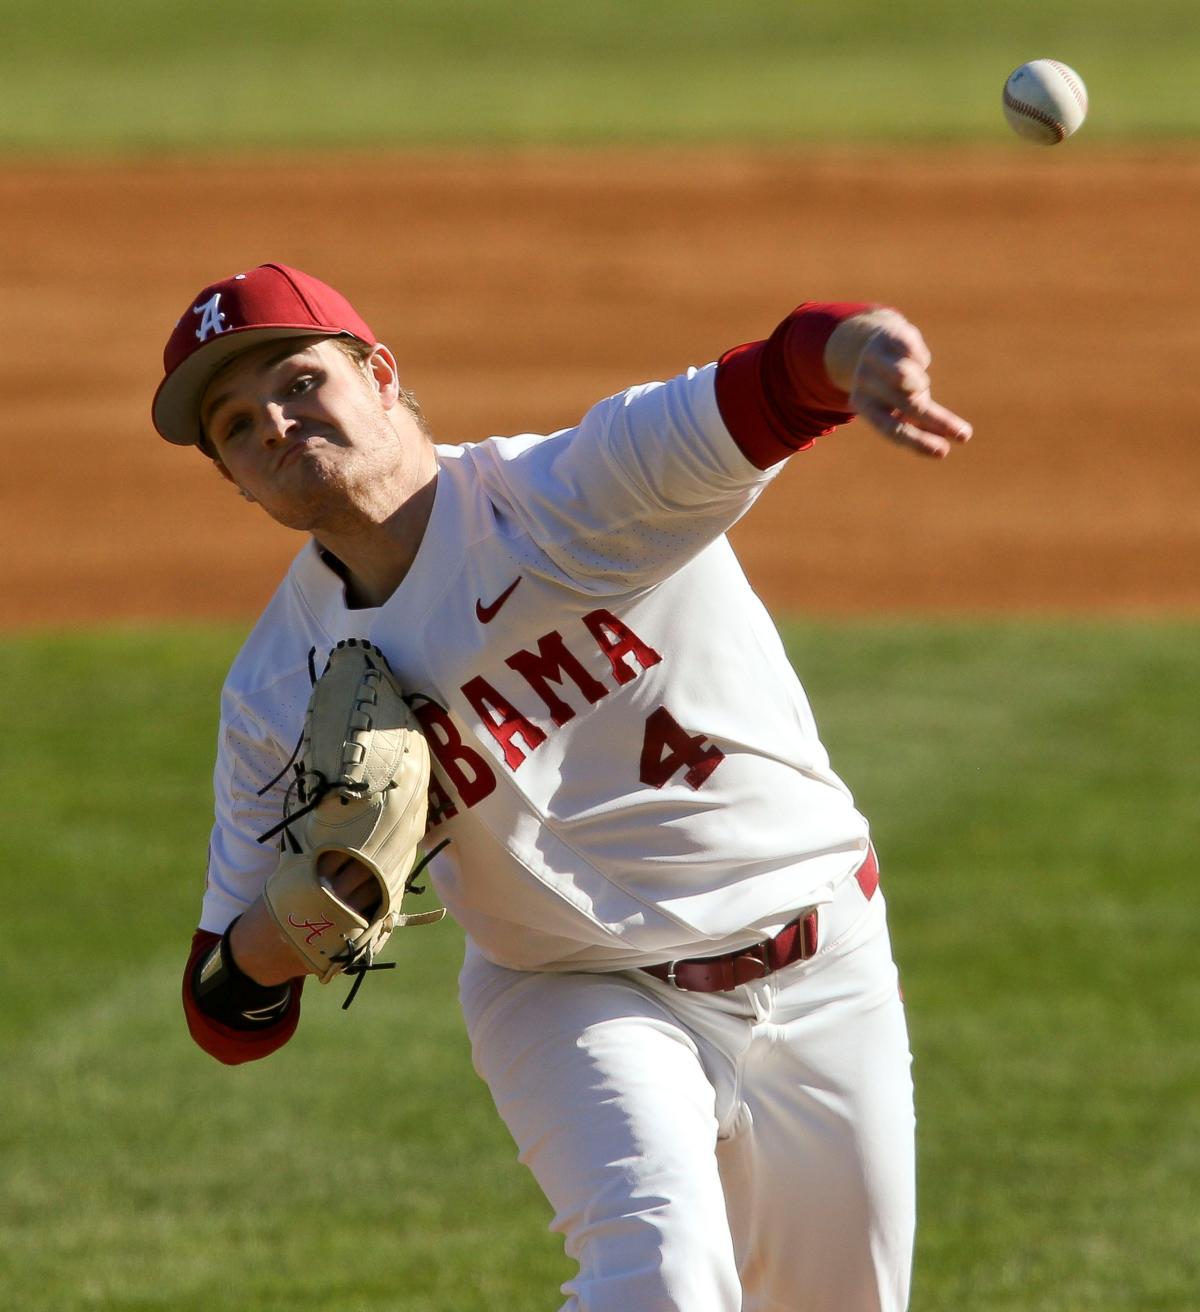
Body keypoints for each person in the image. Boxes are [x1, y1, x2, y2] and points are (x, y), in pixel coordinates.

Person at [156, 261, 971, 1312]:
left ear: (382, 374)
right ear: (237, 480)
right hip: (570, 990)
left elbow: (767, 384)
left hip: (819, 952)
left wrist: (860, 350)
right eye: (234, 423)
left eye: (300, 380)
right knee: (661, 1282)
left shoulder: (572, 493)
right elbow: (224, 1010)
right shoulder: (275, 686)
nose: (272, 421)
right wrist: (301, 914)